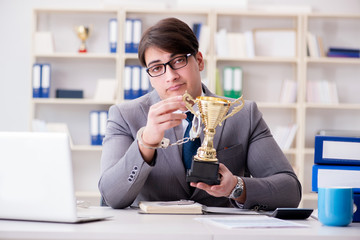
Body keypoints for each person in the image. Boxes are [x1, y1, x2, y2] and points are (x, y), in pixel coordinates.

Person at [98, 17, 302, 210]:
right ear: (150, 77)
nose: (171, 76)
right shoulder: (124, 116)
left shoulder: (243, 115)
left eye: (178, 61)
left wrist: (237, 187)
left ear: (200, 61)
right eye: (157, 68)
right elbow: (111, 197)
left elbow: (290, 191)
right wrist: (145, 143)